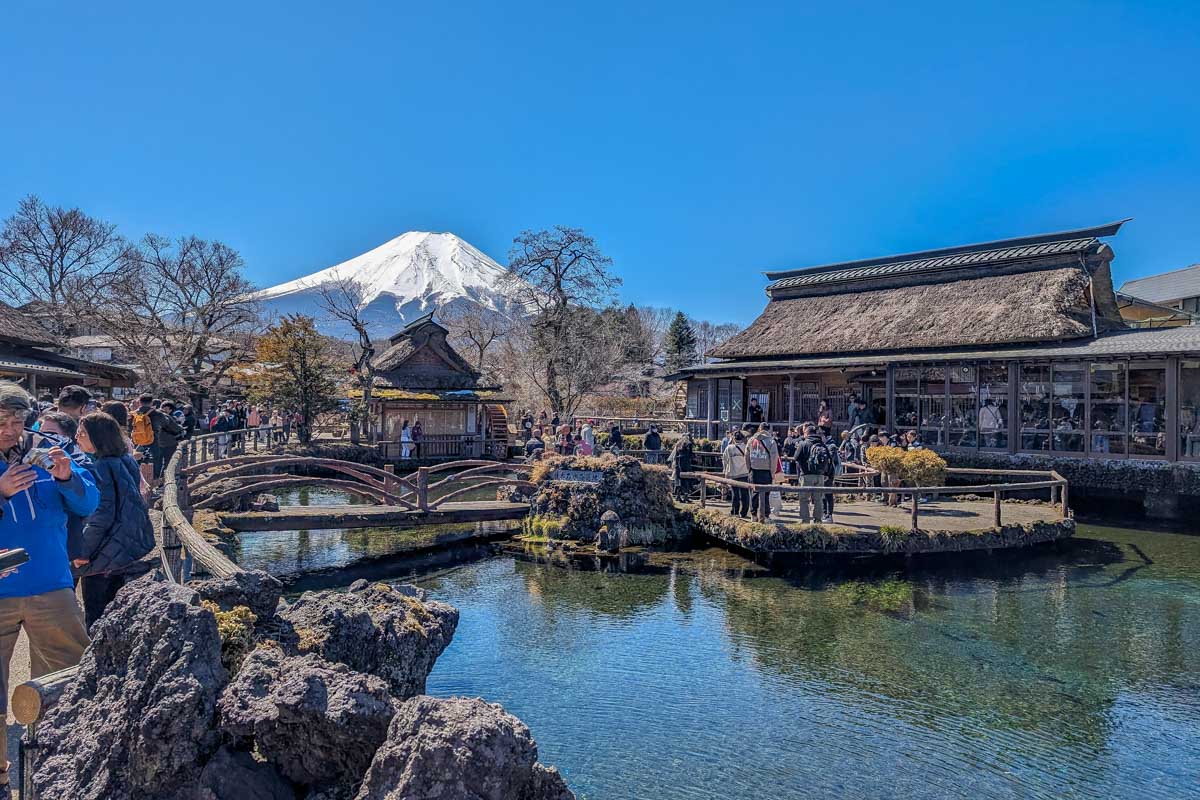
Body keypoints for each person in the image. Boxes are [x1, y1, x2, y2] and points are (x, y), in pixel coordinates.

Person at [0, 382, 98, 780]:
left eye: (17, 420)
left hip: (51, 581)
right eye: (1, 422)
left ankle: (61, 759)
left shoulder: (53, 447)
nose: (10, 429)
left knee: (65, 671)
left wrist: (66, 477)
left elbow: (88, 502)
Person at [73, 412, 155, 627]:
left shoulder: (101, 466)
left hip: (105, 547)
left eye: (81, 433)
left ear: (96, 437)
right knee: (113, 605)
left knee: (96, 609)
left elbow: (101, 513)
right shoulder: (124, 459)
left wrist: (83, 550)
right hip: (123, 542)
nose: (76, 437)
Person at [795, 423, 830, 523]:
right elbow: (829, 460)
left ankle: (805, 520)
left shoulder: (803, 443)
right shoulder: (822, 444)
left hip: (806, 475)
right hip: (820, 475)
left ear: (807, 433)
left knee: (804, 499)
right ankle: (818, 520)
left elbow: (796, 457)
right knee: (818, 499)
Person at [746, 423, 779, 522]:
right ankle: (765, 515)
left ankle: (753, 514)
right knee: (766, 493)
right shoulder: (771, 441)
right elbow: (774, 458)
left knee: (754, 493)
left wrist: (749, 468)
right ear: (768, 430)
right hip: (766, 471)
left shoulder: (751, 440)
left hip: (754, 470)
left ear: (759, 429)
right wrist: (772, 472)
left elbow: (746, 456)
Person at [722, 430, 750, 518]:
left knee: (735, 494)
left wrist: (725, 471)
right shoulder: (746, 447)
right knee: (745, 494)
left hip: (733, 473)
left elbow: (725, 460)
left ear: (734, 438)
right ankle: (744, 512)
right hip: (745, 473)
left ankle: (735, 512)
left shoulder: (729, 448)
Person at [156, 401, 184, 478]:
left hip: (155, 442)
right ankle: (164, 480)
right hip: (167, 443)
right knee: (168, 462)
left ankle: (157, 480)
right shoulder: (166, 417)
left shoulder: (153, 415)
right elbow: (176, 428)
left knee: (157, 462)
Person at [668, 432, 695, 501]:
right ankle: (685, 496)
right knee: (686, 480)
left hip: (678, 464)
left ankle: (678, 496)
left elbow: (676, 455)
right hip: (686, 464)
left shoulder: (678, 444)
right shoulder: (689, 444)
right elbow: (690, 455)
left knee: (678, 480)